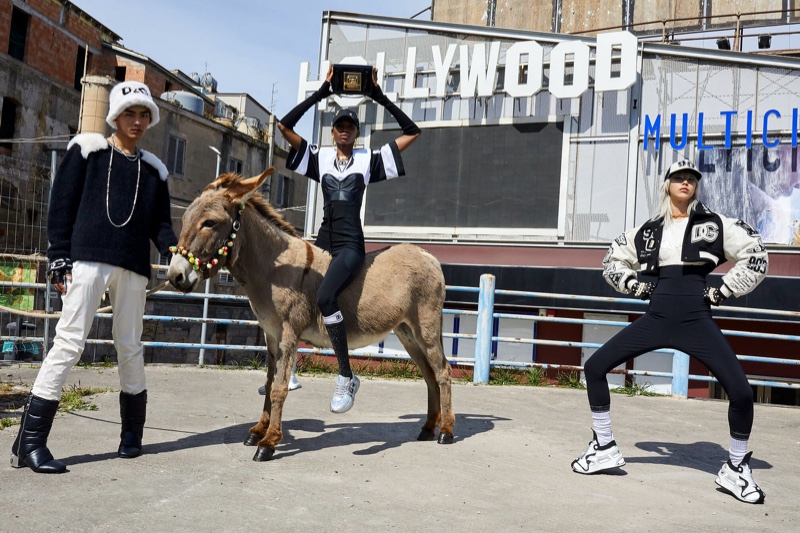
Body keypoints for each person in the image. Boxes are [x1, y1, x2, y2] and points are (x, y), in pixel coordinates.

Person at [572, 159, 768, 505]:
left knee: (741, 392)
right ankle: (604, 447)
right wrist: (634, 285)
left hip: (696, 316)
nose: (685, 182)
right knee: (595, 366)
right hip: (656, 313)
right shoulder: (647, 230)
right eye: (678, 177)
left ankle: (735, 468)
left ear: (696, 185)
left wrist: (723, 290)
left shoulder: (716, 223)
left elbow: (756, 253)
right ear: (667, 184)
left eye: (691, 178)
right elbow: (611, 260)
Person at [10, 81, 177, 474]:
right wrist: (58, 258)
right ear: (114, 116)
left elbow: (162, 227)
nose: (136, 121)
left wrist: (176, 252)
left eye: (143, 114)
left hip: (135, 266)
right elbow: (61, 206)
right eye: (128, 113)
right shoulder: (87, 150)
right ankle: (32, 443)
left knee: (130, 347)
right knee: (69, 343)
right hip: (87, 260)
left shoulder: (154, 171)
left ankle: (131, 436)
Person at [276, 65, 421, 413]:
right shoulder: (320, 157)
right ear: (333, 131)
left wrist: (378, 96)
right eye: (339, 126)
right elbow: (284, 126)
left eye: (350, 126)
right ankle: (288, 366)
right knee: (289, 291)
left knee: (325, 296)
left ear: (356, 132)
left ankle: (346, 377)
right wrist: (322, 93)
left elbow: (412, 131)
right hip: (322, 239)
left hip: (351, 245)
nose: (344, 131)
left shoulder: (367, 159)